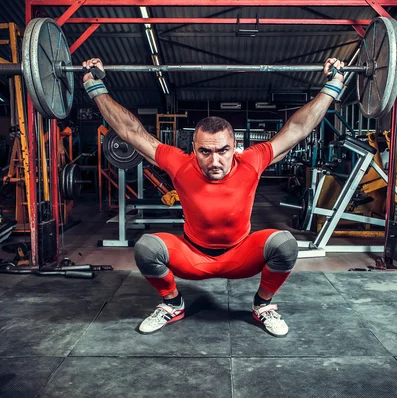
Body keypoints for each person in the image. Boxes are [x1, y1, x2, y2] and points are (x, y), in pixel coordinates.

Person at [82, 57, 345, 337]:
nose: (214, 160)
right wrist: (95, 85)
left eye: (222, 150)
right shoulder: (179, 164)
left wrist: (333, 84)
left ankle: (263, 305)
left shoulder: (252, 161)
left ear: (235, 147)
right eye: (205, 152)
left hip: (242, 255)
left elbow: (297, 129)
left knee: (284, 243)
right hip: (192, 256)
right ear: (193, 148)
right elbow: (131, 132)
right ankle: (173, 304)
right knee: (147, 247)